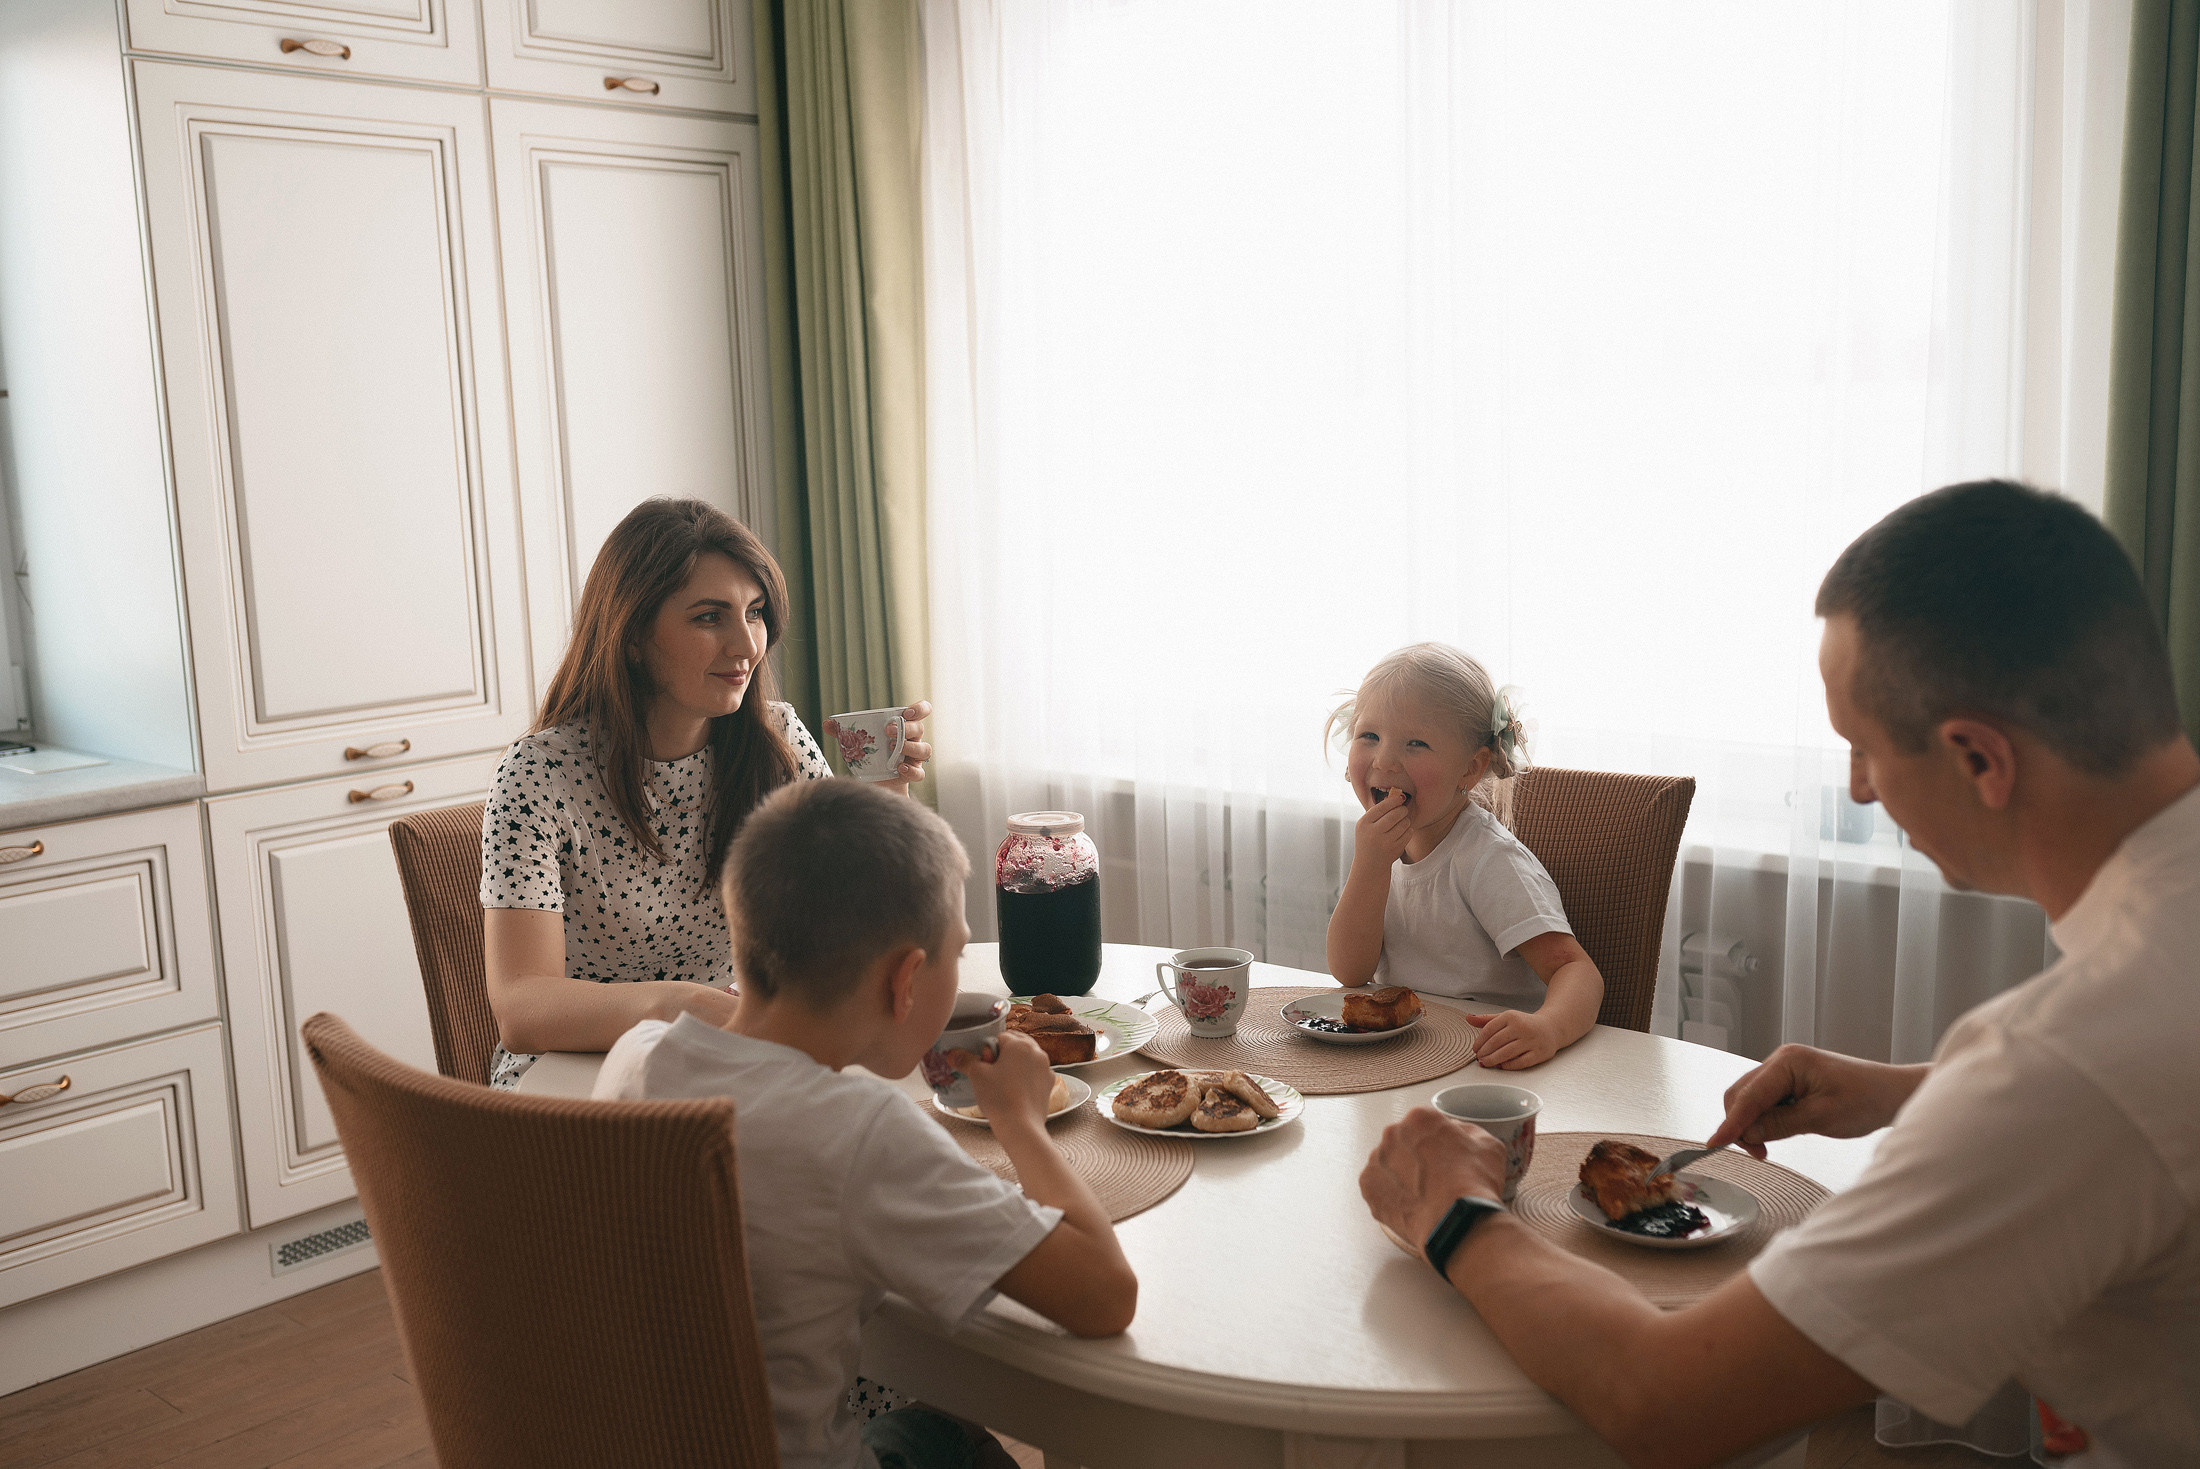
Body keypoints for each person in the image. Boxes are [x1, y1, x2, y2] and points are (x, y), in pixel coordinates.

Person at [1357, 481, 2200, 1467]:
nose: (1859, 790)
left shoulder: (2063, 1061)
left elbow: (1666, 1401)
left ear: (1979, 757)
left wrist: (1456, 1213)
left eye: (1862, 749)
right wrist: (1912, 1091)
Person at [592, 778, 1138, 1469]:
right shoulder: (858, 1132)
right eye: (957, 952)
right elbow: (1104, 1296)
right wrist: (1019, 1119)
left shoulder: (637, 1055)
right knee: (960, 1440)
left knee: (934, 1426)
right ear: (904, 981)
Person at [480, 497, 931, 1090]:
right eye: (709, 617)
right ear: (632, 635)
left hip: (728, 1057)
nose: (747, 645)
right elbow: (522, 1008)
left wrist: (888, 796)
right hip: (574, 1080)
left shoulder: (777, 741)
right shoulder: (539, 773)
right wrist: (686, 1005)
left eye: (755, 612)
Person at [1325, 642, 1605, 1067]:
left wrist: (1548, 1028)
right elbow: (1350, 972)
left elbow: (1577, 971)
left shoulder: (1488, 860)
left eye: (1415, 743)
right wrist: (1369, 866)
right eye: (1370, 736)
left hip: (1487, 1060)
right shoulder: (1379, 850)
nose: (1385, 759)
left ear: (1470, 769)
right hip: (1408, 1058)